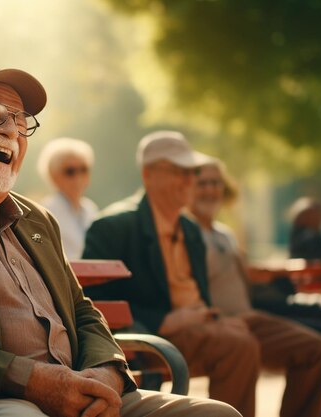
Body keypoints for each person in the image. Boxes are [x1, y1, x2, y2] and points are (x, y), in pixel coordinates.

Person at [0, 65, 240, 417]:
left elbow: (83, 312)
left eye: (20, 120)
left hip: (74, 397)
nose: (11, 131)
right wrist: (31, 380)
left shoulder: (37, 219)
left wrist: (105, 373)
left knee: (216, 414)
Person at [83, 131, 260, 417]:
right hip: (153, 337)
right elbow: (94, 301)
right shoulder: (113, 227)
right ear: (148, 174)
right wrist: (165, 320)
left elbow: (199, 295)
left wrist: (218, 318)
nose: (190, 180)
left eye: (193, 171)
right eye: (179, 171)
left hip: (203, 324)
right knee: (239, 347)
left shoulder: (190, 230)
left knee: (310, 344)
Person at [188, 159, 321, 417]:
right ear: (186, 186)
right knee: (242, 347)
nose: (210, 190)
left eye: (216, 183)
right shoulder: (182, 233)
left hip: (252, 316)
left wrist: (273, 272)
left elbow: (246, 277)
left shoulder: (224, 234)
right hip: (219, 323)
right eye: (203, 183)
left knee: (318, 349)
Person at [37, 137, 98, 259]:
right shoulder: (44, 211)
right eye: (70, 171)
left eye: (83, 169)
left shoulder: (91, 209)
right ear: (53, 176)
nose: (78, 177)